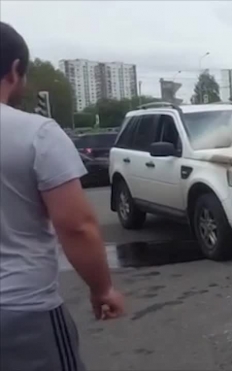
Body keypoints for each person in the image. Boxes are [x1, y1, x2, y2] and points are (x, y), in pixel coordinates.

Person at [1, 22, 125, 371]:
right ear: (14, 71)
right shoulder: (36, 134)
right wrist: (102, 289)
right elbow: (76, 226)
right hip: (22, 314)